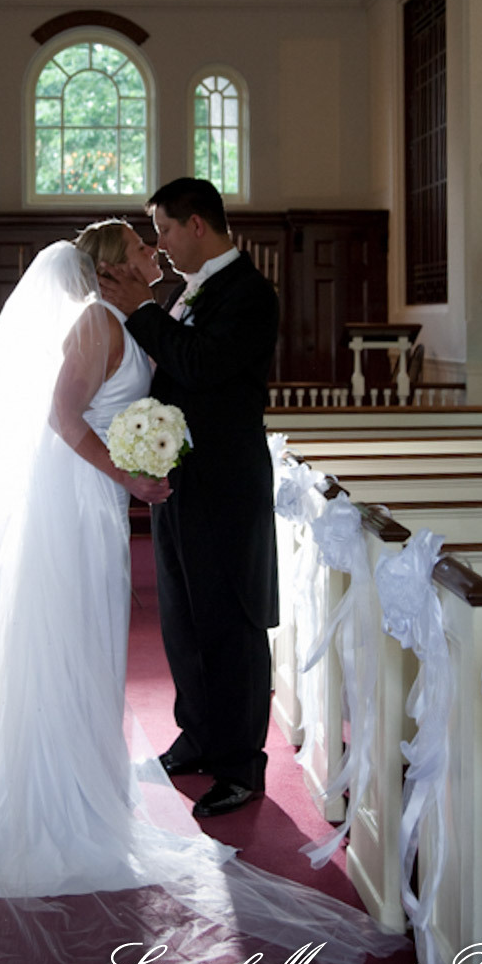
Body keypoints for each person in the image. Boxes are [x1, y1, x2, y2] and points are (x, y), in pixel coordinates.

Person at [0, 218, 400, 964]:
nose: (154, 255)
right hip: (77, 501)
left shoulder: (127, 317)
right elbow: (60, 414)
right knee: (68, 636)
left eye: (156, 244)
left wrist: (135, 468)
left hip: (98, 504)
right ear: (113, 268)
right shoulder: (93, 321)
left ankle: (82, 776)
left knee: (88, 643)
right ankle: (47, 792)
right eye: (143, 250)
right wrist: (125, 472)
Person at [99, 179, 278, 818]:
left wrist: (143, 309)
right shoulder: (185, 292)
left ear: (197, 224)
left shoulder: (252, 294)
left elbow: (201, 365)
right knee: (184, 620)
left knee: (232, 623)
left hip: (227, 485)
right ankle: (199, 736)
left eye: (166, 230)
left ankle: (241, 765)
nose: (161, 244)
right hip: (180, 480)